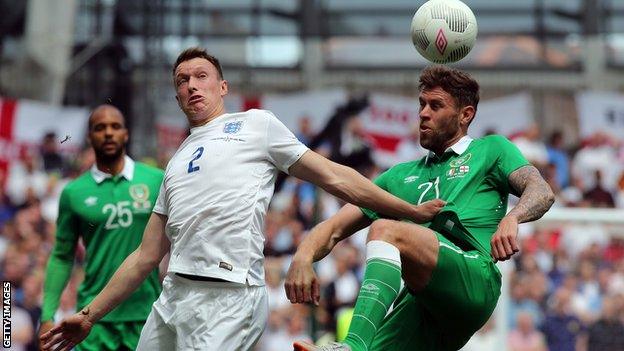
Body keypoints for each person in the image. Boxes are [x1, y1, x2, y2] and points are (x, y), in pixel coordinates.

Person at [40, 47, 443, 351]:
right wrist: (89, 315)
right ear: (177, 96)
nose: (192, 85)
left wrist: (407, 211)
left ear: (222, 87)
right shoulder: (177, 160)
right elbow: (145, 257)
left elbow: (335, 176)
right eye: (182, 80)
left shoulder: (255, 126)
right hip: (172, 298)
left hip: (229, 297)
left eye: (201, 76)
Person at [287, 65, 555, 351]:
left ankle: (352, 345)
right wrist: (303, 256)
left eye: (436, 105)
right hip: (421, 301)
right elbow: (333, 228)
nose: (423, 113)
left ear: (466, 115)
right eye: (422, 104)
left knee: (385, 230)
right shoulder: (399, 176)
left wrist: (512, 218)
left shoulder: (491, 150)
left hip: (473, 278)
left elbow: (541, 190)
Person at [39, 105, 165, 351]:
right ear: (89, 137)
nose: (108, 133)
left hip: (147, 314)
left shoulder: (156, 180)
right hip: (92, 319)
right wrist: (47, 314)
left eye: (115, 126)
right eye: (100, 128)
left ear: (126, 134)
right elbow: (62, 255)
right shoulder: (74, 193)